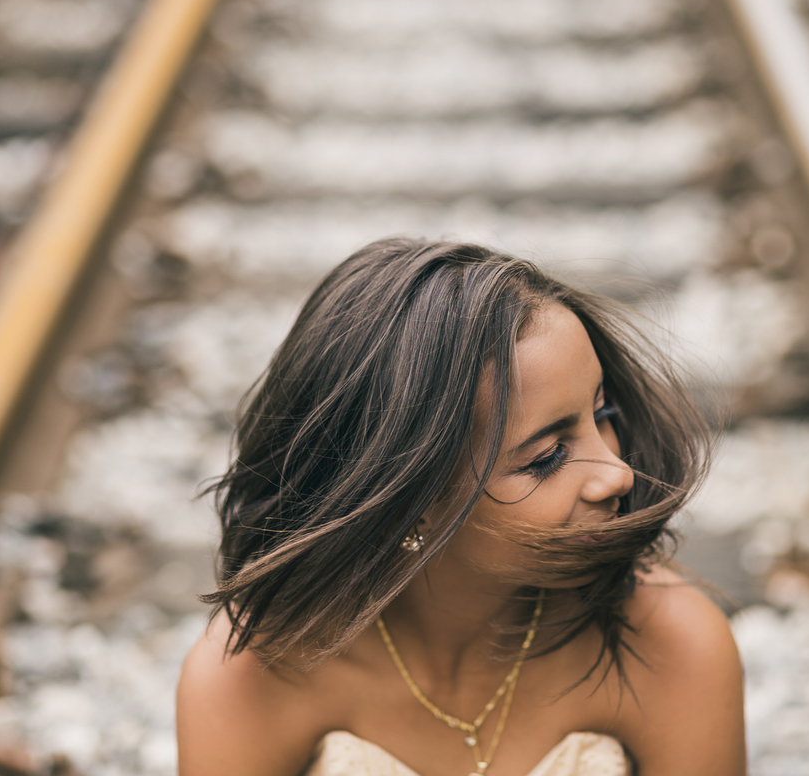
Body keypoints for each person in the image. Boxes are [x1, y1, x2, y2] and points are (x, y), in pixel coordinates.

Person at [177, 239, 746, 776]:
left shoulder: (672, 641)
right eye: (547, 457)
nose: (616, 474)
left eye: (603, 416)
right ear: (407, 502)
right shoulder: (251, 674)